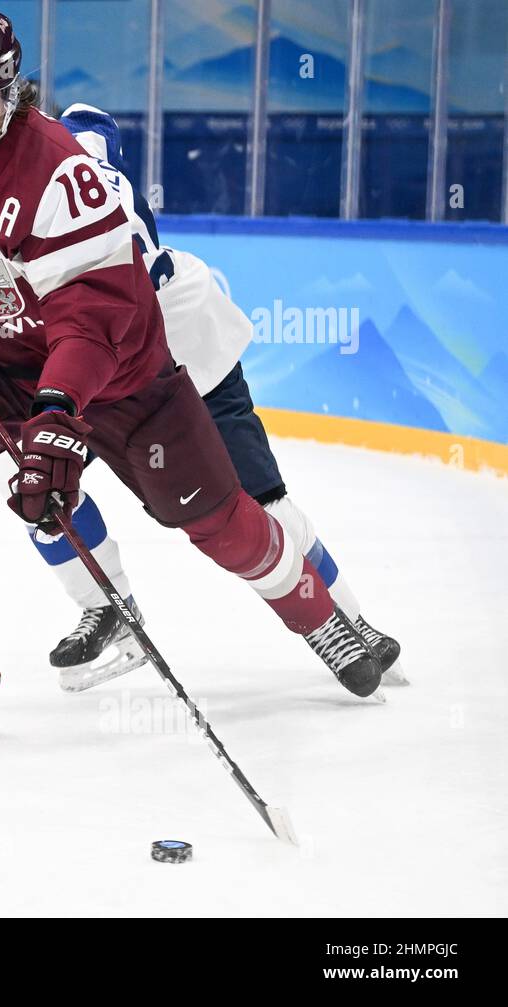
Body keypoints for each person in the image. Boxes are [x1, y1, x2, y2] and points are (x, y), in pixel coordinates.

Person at [0, 9, 384, 744]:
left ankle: (322, 620)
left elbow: (94, 318)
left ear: (14, 101)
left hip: (119, 368)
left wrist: (58, 411)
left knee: (219, 521)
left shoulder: (59, 171)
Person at [34, 101, 404, 692]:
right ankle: (112, 610)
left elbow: (88, 126)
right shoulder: (58, 149)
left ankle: (351, 623)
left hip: (173, 338)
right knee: (43, 486)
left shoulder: (59, 161)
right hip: (101, 354)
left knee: (262, 503)